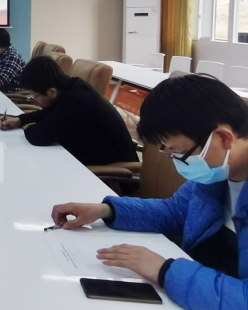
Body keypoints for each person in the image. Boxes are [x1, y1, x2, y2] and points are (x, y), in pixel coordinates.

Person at [51, 74, 248, 310]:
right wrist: (106, 210)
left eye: (180, 154)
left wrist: (164, 270)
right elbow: (176, 211)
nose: (178, 163)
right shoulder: (217, 175)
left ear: (224, 138)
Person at [0, 56, 138, 166]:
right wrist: (20, 120)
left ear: (51, 92)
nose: (34, 100)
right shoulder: (72, 86)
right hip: (90, 160)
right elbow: (48, 113)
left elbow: (39, 136)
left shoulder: (75, 101)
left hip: (110, 178)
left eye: (34, 96)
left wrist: (27, 126)